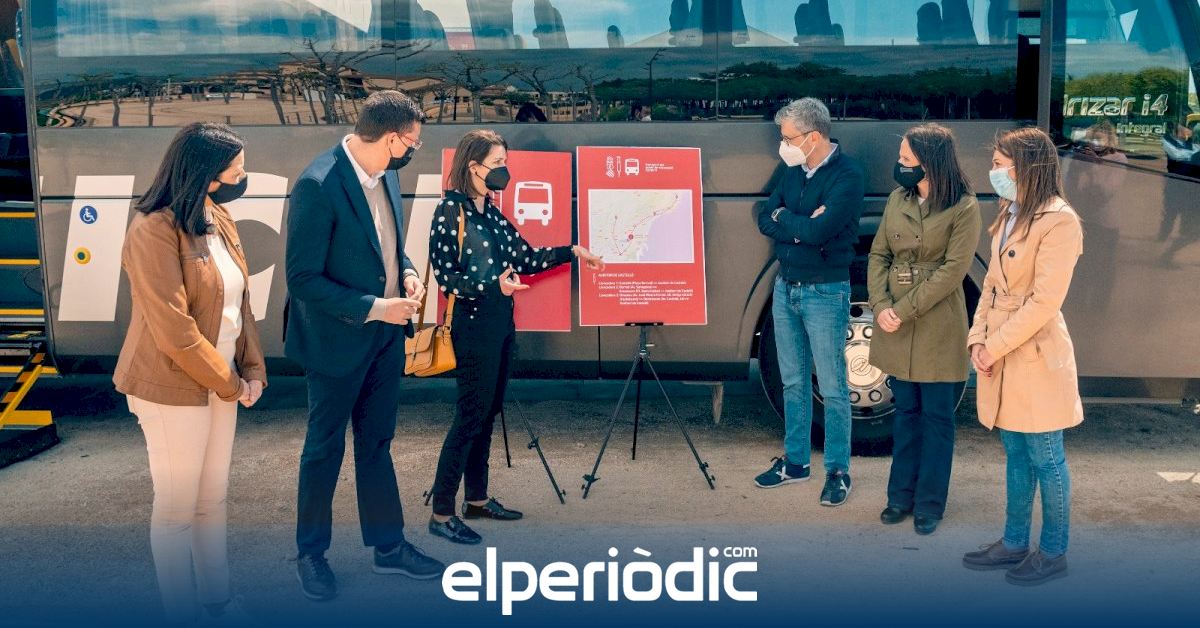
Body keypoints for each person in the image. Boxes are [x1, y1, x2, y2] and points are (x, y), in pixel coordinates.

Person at [285, 90, 444, 602]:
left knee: (377, 444)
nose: (414, 150)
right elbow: (302, 279)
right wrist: (376, 305)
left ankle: (388, 547)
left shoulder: (387, 175)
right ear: (392, 138)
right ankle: (311, 554)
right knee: (324, 449)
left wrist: (409, 274)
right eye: (413, 142)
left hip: (383, 339)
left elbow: (387, 250)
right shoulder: (317, 185)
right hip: (335, 341)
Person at [113, 122, 266, 624]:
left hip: (223, 380)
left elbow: (241, 305)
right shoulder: (152, 230)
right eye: (235, 170)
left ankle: (217, 602)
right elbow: (175, 331)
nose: (241, 178)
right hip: (171, 387)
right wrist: (232, 384)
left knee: (212, 499)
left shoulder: (217, 216)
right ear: (204, 171)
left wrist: (252, 369)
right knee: (177, 508)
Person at [426, 129, 604, 544]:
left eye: (505, 162)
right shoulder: (449, 211)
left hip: (501, 326)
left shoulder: (490, 212)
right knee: (469, 415)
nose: (504, 170)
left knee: (488, 413)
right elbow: (445, 277)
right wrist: (493, 286)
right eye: (498, 163)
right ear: (474, 167)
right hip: (473, 326)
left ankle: (476, 499)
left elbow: (526, 258)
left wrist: (573, 251)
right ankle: (441, 513)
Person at [961, 127, 1084, 586]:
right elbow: (991, 285)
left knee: (1045, 456)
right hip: (1002, 349)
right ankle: (1014, 542)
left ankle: (1053, 552)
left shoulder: (1060, 221)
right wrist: (977, 339)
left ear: (1025, 167)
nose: (992, 172)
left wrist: (993, 345)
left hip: (1034, 353)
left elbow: (1043, 303)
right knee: (1015, 452)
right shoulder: (1011, 212)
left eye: (999, 165)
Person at [867, 123, 980, 535]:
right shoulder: (897, 199)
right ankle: (899, 497)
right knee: (906, 414)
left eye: (906, 159)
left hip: (937, 323)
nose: (899, 165)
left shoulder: (964, 206)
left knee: (936, 417)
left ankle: (930, 503)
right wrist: (880, 305)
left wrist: (902, 309)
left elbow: (953, 270)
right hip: (896, 322)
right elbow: (879, 254)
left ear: (930, 162)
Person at [754, 97, 865, 506]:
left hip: (825, 291)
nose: (783, 145)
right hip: (786, 287)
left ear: (813, 136)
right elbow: (765, 217)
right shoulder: (792, 170)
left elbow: (821, 233)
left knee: (832, 386)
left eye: (788, 138)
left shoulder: (848, 175)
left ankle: (837, 471)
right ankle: (796, 462)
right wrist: (795, 223)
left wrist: (787, 220)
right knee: (793, 381)